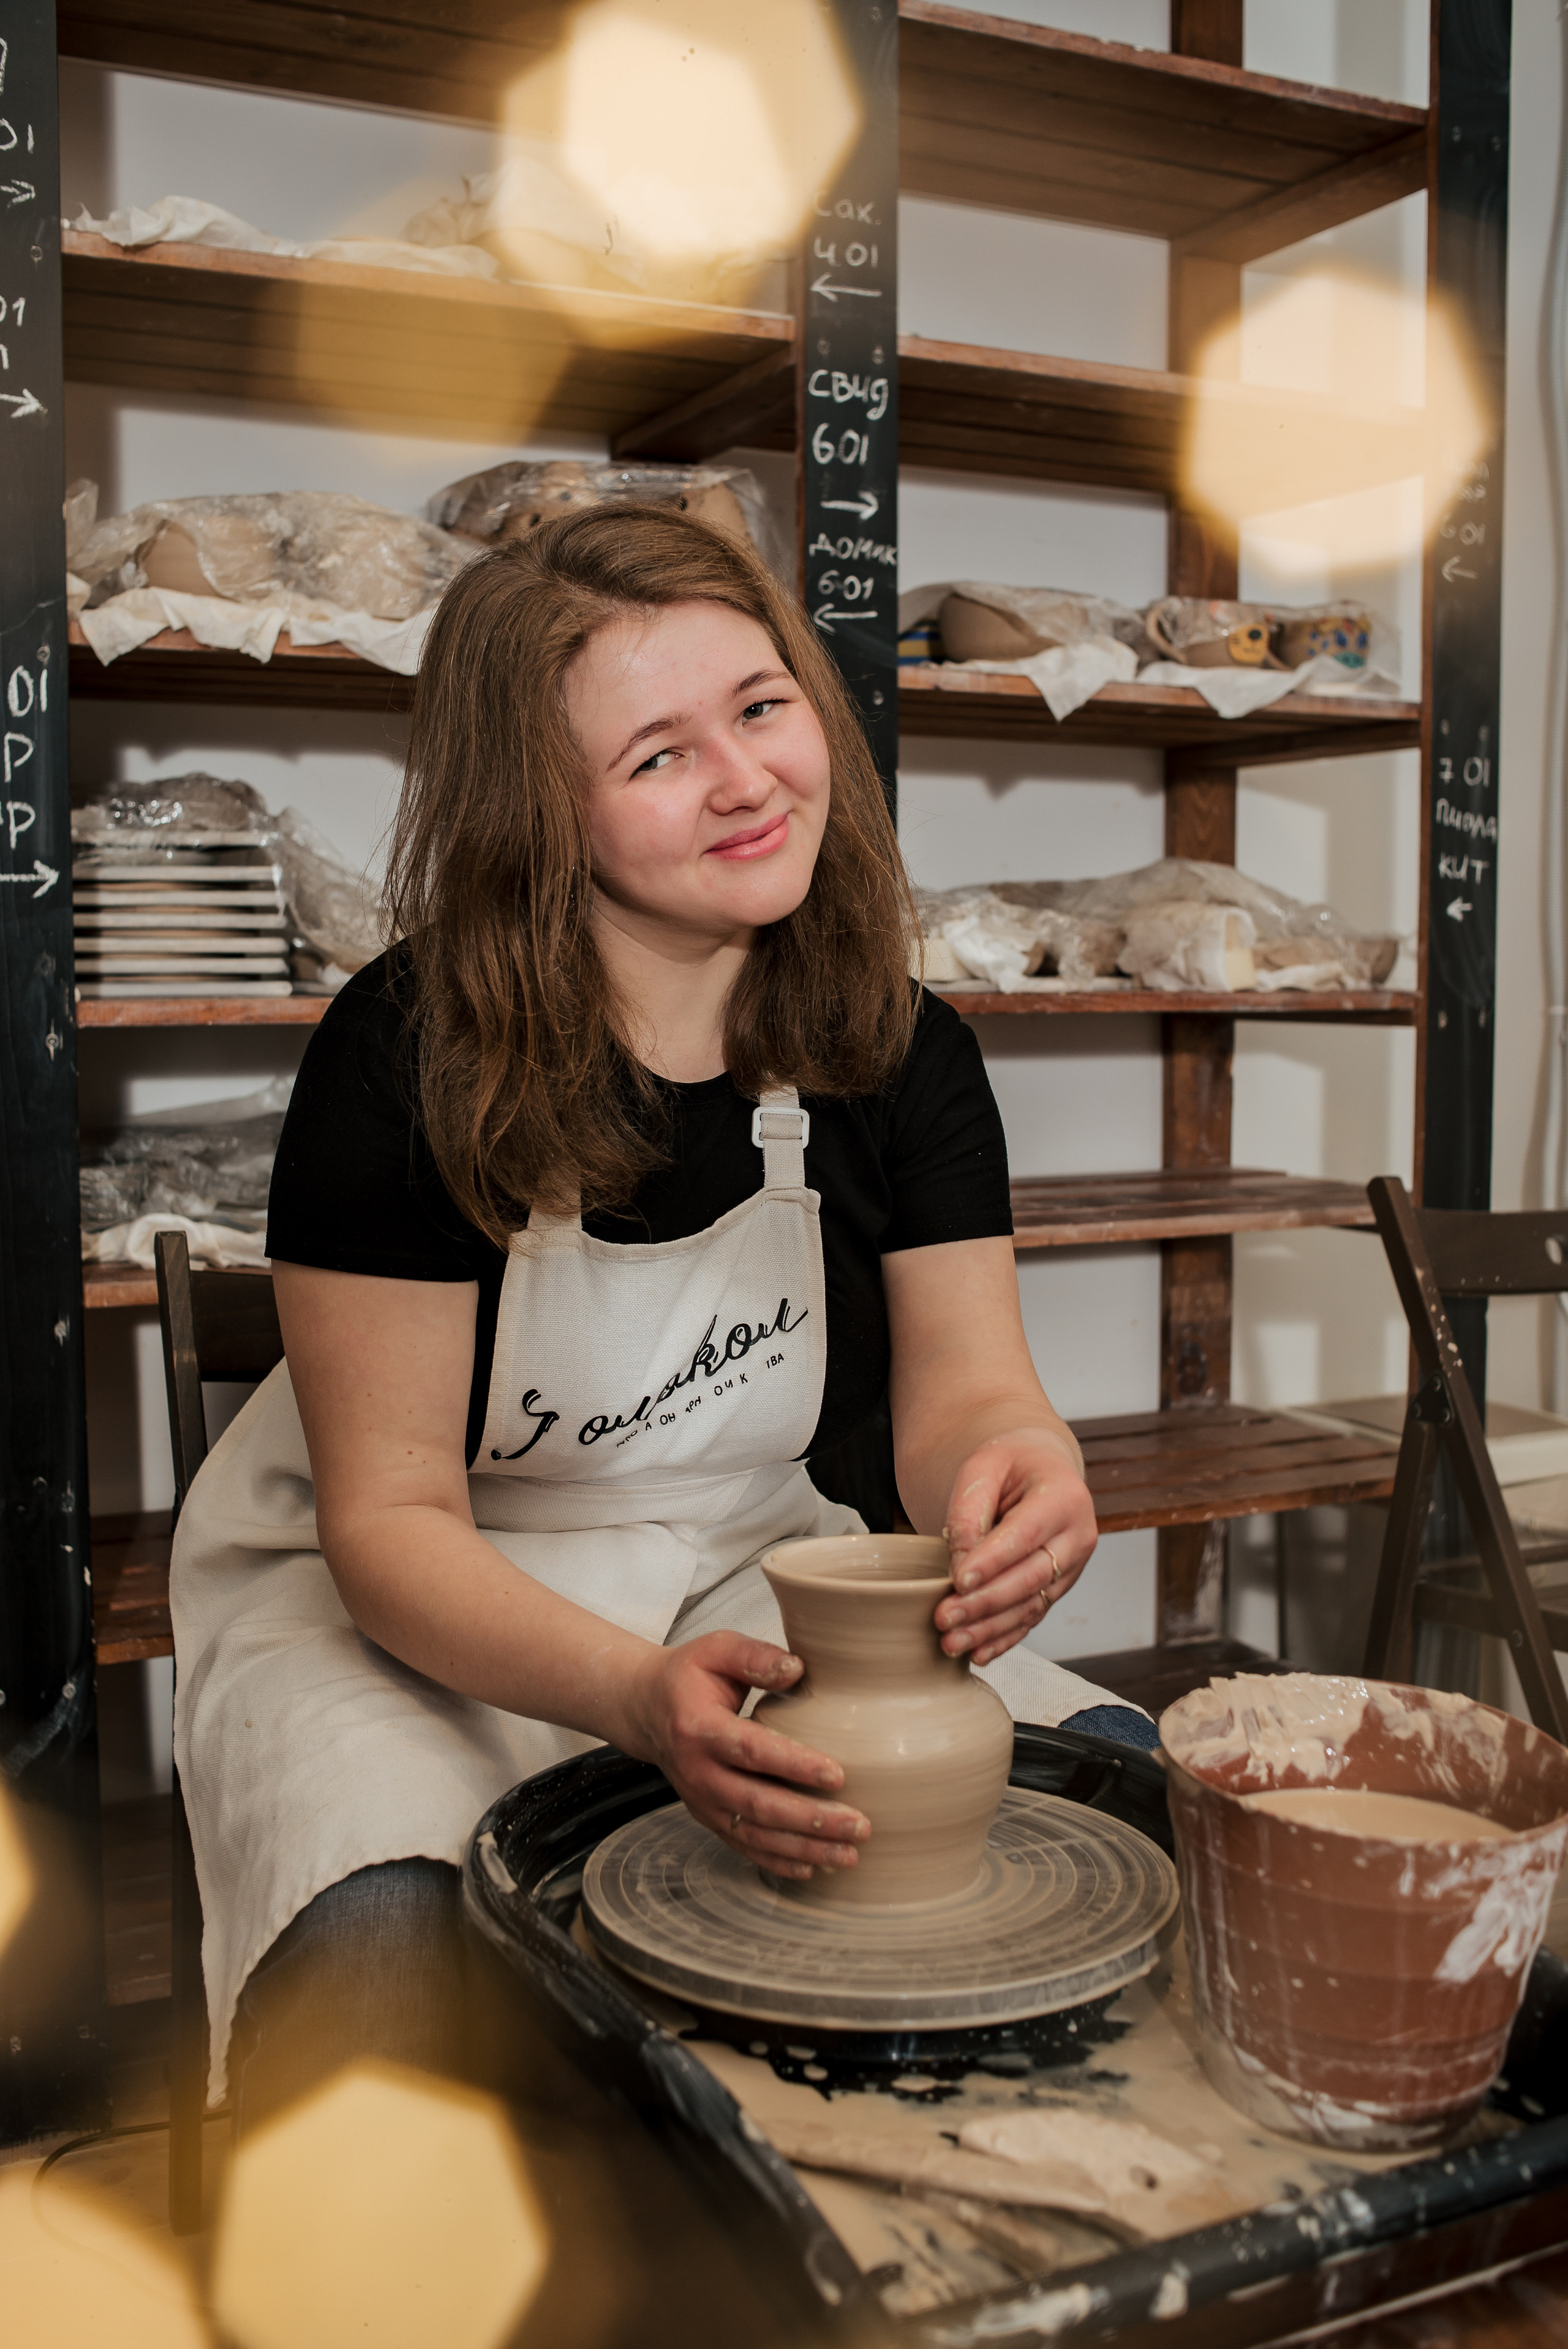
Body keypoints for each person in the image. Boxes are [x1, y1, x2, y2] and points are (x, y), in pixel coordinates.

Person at [170, 505, 1154, 2130]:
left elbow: (970, 1397)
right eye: (658, 755)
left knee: (1122, 1796)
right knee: (387, 1959)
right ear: (539, 811)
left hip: (734, 1565)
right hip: (404, 1604)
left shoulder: (899, 1049)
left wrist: (1020, 1473)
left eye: (763, 707)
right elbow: (391, 1521)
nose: (749, 779)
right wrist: (635, 1698)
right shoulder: (405, 1054)